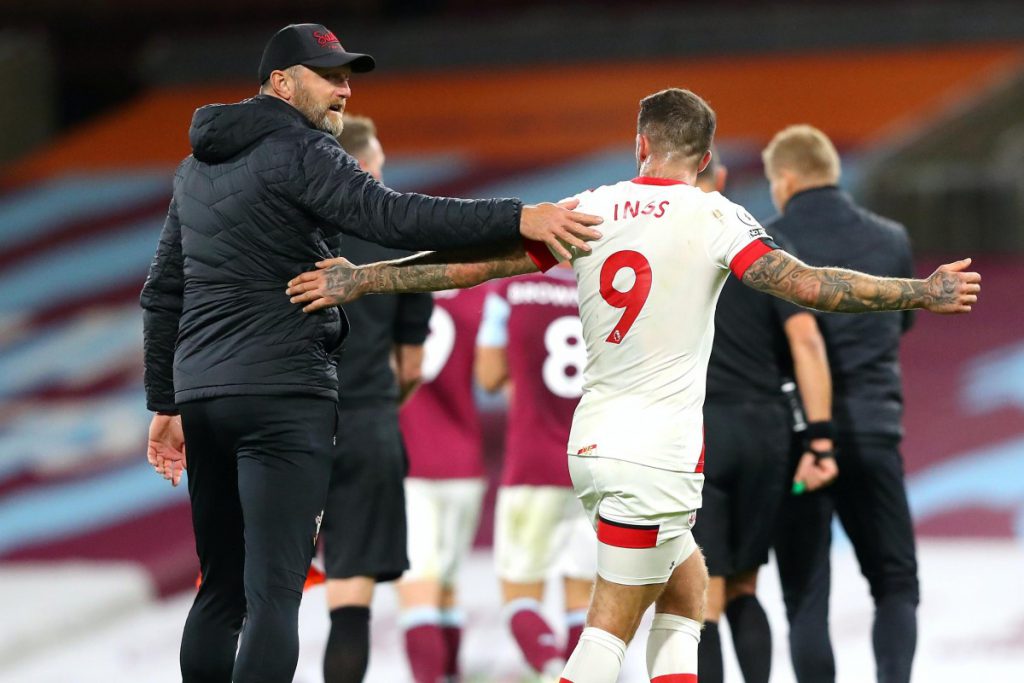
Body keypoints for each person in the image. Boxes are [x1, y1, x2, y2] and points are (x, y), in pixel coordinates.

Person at [286, 88, 980, 683]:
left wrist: (366, 276)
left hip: (593, 444)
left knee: (686, 584)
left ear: (639, 143)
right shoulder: (717, 218)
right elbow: (812, 287)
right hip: (659, 455)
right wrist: (921, 290)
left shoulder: (588, 207)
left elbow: (469, 267)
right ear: (706, 160)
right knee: (608, 628)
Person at [140, 22, 603, 683]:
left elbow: (162, 293)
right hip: (284, 395)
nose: (344, 88)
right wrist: (516, 217)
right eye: (328, 75)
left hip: (204, 396)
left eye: (347, 74)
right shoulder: (299, 149)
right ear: (280, 82)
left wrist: (165, 402)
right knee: (275, 594)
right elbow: (391, 219)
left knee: (220, 590)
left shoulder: (196, 167)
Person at [762, 125, 923, 683]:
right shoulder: (890, 239)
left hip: (802, 444)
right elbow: (900, 322)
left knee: (806, 597)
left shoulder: (769, 242)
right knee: (896, 583)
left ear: (785, 179)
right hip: (876, 434)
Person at [693, 150, 836, 683]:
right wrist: (819, 441)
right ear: (722, 178)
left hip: (697, 433)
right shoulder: (764, 245)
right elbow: (807, 343)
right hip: (765, 433)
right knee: (745, 587)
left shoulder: (666, 247)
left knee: (698, 596)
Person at [318, 114, 433, 683]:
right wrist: (386, 400)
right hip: (365, 424)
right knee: (349, 601)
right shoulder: (399, 239)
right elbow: (411, 364)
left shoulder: (286, 232)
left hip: (287, 427)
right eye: (380, 169)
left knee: (260, 598)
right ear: (360, 167)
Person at [476, 263, 596, 679]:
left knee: (519, 598)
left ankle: (547, 669)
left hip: (532, 464)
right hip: (592, 466)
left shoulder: (512, 289)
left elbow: (488, 376)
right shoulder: (603, 288)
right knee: (581, 600)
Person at [395, 285, 488, 683]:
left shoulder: (396, 288)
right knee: (447, 591)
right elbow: (492, 375)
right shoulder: (478, 298)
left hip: (412, 463)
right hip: (466, 463)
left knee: (417, 593)